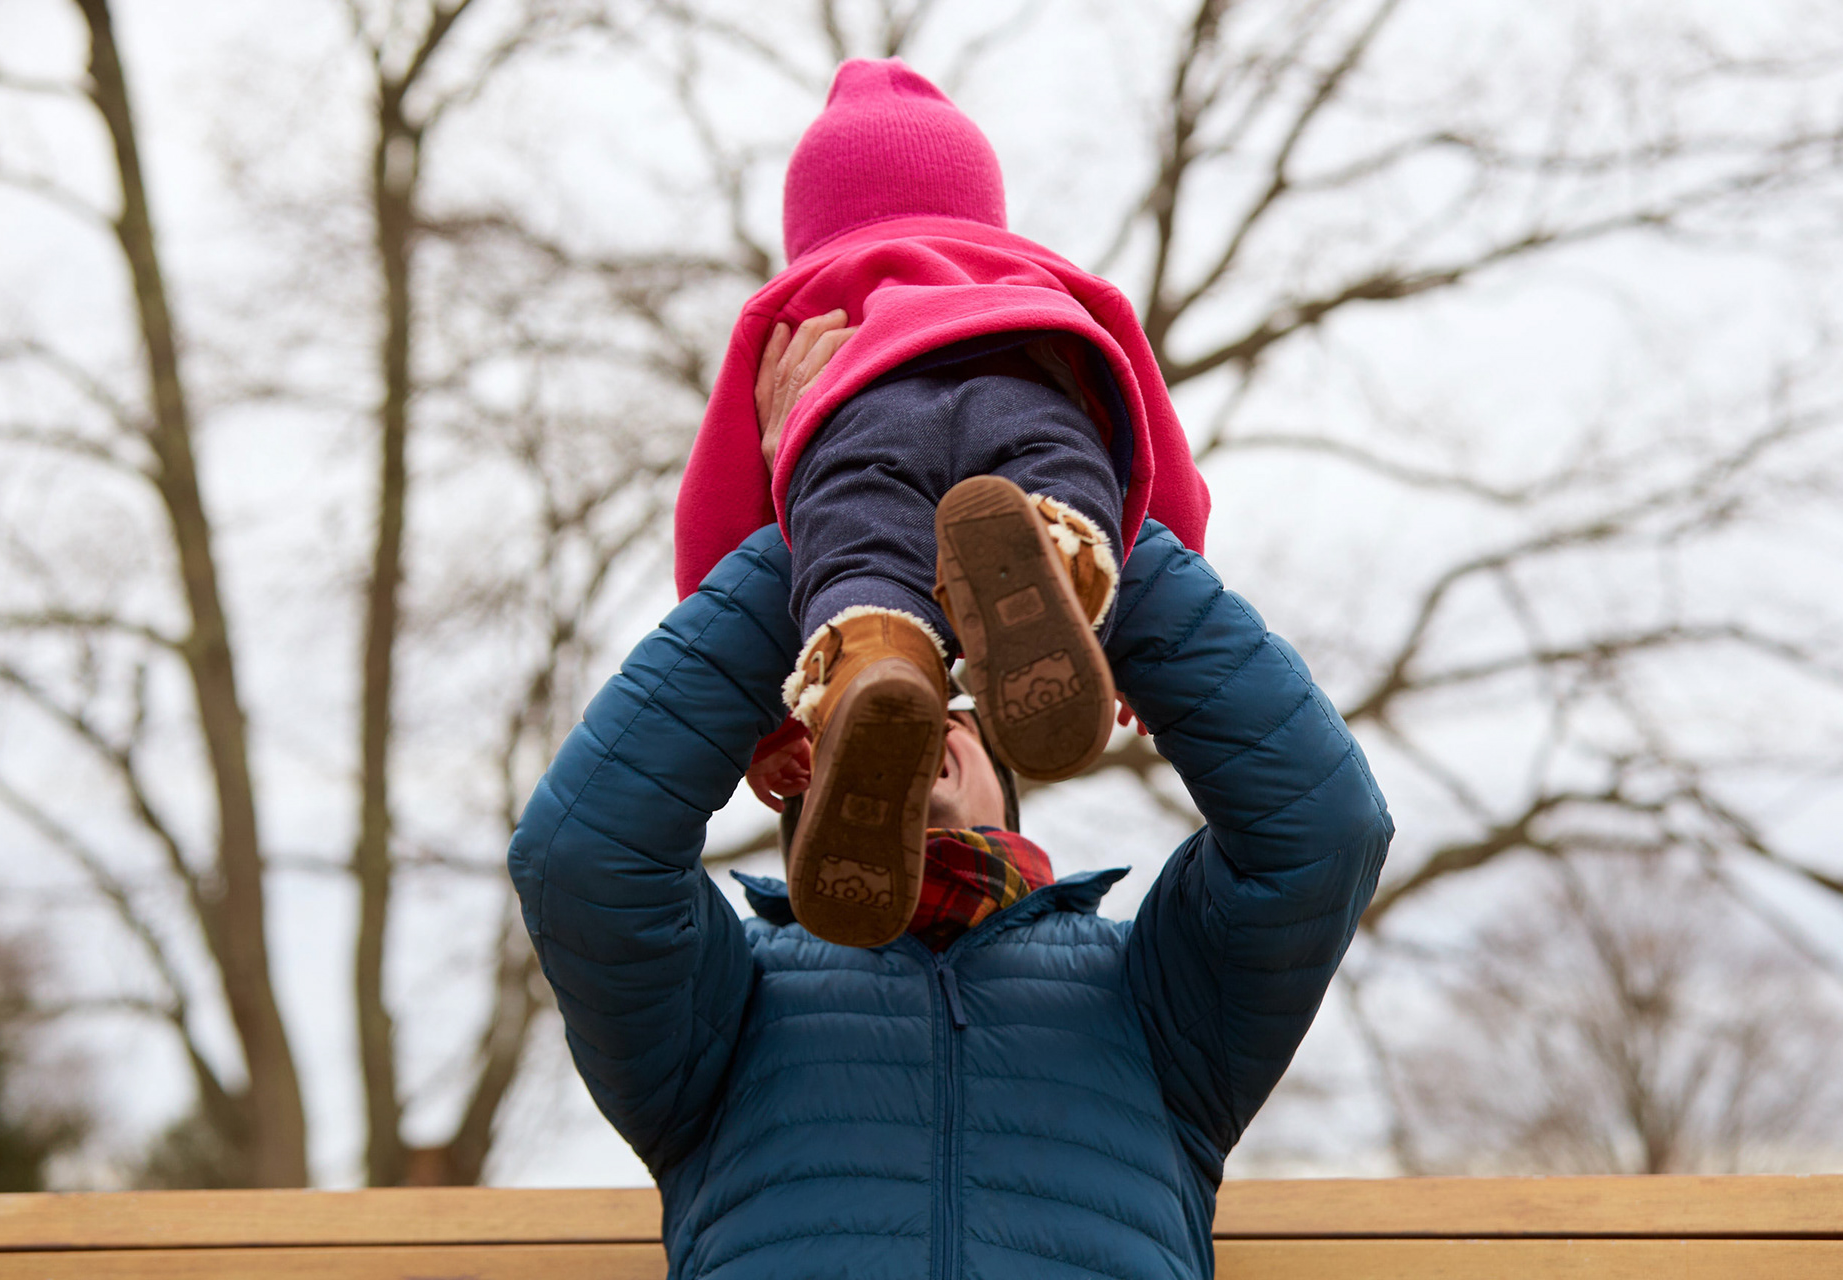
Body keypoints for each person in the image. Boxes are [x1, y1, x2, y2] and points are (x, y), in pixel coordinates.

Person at [507, 515, 1394, 1278]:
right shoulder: (726, 1003)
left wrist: (1098, 560)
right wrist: (832, 527)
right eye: (878, 713)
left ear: (1000, 780)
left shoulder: (1150, 993)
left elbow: (1320, 829)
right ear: (803, 776)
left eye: (951, 708)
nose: (924, 716)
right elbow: (584, 857)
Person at [672, 57, 1214, 945]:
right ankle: (1059, 564)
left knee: (860, 569)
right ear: (982, 202)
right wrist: (1151, 644)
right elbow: (1156, 443)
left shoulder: (791, 307)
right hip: (1026, 398)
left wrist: (765, 728)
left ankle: (874, 669)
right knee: (1059, 490)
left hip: (854, 434)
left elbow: (716, 510)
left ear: (807, 226)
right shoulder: (1039, 273)